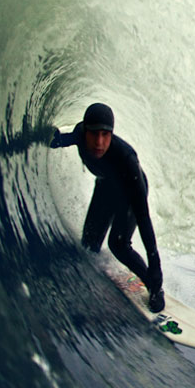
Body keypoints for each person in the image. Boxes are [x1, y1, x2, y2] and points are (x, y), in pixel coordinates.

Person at [50, 103, 165, 312]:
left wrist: (155, 264)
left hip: (130, 193)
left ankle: (154, 287)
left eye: (105, 134)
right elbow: (59, 140)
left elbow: (143, 216)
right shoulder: (79, 135)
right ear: (85, 131)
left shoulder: (127, 159)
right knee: (89, 245)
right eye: (94, 134)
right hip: (106, 187)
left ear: (112, 134)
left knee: (118, 245)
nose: (99, 142)